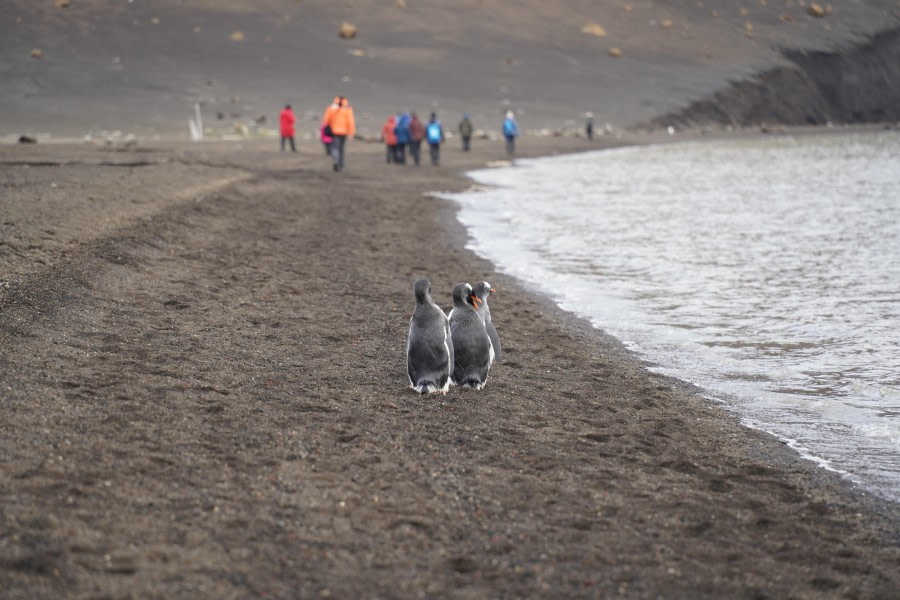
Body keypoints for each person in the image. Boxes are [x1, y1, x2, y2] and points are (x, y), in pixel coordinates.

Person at [324, 97, 355, 172]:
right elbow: (350, 122)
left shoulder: (331, 108)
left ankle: (336, 160)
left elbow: (326, 120)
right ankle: (341, 165)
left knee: (335, 148)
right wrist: (351, 133)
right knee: (341, 149)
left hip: (334, 131)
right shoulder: (348, 109)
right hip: (344, 132)